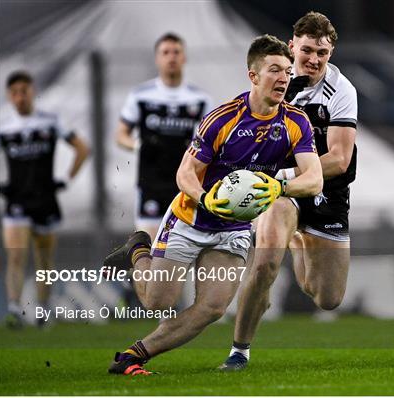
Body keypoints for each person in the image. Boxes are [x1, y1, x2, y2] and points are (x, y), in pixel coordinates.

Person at [103, 34, 323, 375]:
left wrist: (279, 185)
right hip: (190, 221)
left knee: (213, 307)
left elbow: (314, 179)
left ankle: (134, 355)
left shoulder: (295, 123)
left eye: (287, 72)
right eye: (274, 70)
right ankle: (137, 251)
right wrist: (207, 199)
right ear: (253, 76)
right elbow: (185, 174)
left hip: (233, 229)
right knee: (157, 302)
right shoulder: (222, 119)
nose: (283, 78)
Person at [220, 11, 358, 370]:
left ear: (331, 55)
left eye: (323, 53)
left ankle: (299, 238)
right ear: (292, 46)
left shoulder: (341, 91)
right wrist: (270, 180)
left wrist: (291, 175)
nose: (313, 59)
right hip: (280, 191)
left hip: (327, 192)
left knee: (327, 297)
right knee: (265, 264)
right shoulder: (276, 81)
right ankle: (239, 351)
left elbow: (340, 159)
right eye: (307, 50)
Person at [0, 70, 90, 328]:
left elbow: (82, 148)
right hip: (17, 200)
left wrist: (67, 179)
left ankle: (43, 309)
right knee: (16, 255)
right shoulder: (2, 125)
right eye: (14, 93)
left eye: (24, 92)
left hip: (45, 200)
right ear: (9, 96)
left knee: (44, 259)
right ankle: (15, 308)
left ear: (32, 92)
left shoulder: (50, 122)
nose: (20, 98)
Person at [115, 32, 212, 240]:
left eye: (176, 52)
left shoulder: (200, 99)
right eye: (165, 52)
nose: (171, 57)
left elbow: (213, 141)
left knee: (182, 249)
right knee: (147, 246)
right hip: (151, 182)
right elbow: (121, 134)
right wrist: (138, 146)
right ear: (157, 59)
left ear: (184, 57)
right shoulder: (141, 95)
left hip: (186, 183)